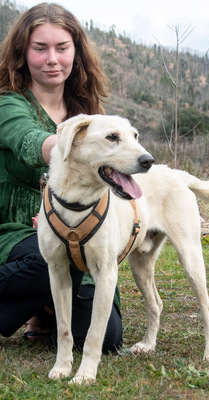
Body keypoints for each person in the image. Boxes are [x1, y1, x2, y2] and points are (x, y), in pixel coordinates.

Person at [0, 2, 122, 353]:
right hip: (15, 232)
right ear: (23, 54)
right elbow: (31, 142)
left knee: (108, 337)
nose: (52, 58)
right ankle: (40, 296)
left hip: (79, 232)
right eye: (40, 48)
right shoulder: (9, 104)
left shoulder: (88, 111)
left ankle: (46, 307)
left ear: (76, 52)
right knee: (45, 261)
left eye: (61, 48)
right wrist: (69, 144)